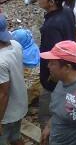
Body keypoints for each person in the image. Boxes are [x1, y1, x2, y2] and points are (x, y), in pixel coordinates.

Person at [35, 0, 76, 129]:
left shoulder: (51, 26)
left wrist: (51, 78)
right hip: (69, 70)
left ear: (52, 2)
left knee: (46, 117)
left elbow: (55, 55)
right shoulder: (66, 11)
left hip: (55, 81)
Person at [0, 15, 28, 145]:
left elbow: (3, 94)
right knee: (15, 137)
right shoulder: (16, 44)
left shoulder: (1, 61)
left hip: (6, 114)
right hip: (20, 104)